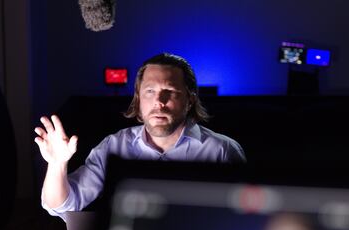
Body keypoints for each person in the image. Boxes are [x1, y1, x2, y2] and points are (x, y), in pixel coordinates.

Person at [34, 53, 246, 220]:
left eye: (170, 91)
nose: (159, 102)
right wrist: (57, 165)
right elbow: (60, 205)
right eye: (150, 91)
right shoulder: (114, 147)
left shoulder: (223, 151)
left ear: (189, 100)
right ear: (138, 99)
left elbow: (246, 221)